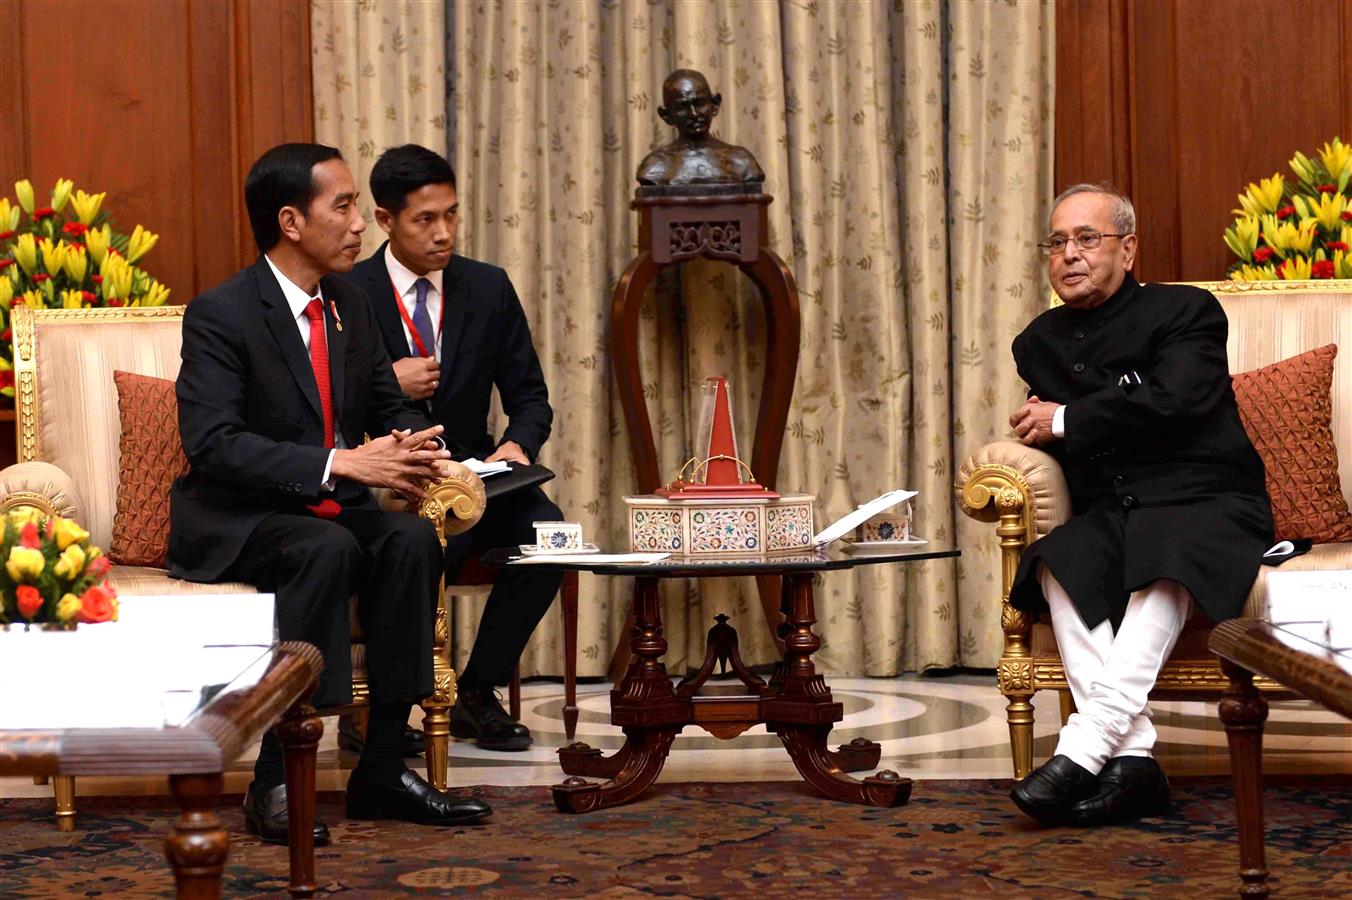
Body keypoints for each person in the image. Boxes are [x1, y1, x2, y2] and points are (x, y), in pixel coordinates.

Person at [168, 143, 492, 844]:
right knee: (325, 546)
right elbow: (214, 444)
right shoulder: (221, 314)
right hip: (243, 518)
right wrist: (343, 463)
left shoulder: (350, 303)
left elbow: (388, 407)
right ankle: (277, 782)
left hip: (328, 509)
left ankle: (380, 768)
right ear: (290, 221)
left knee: (406, 538)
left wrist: (417, 450)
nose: (358, 224)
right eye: (343, 207)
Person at [1005, 184, 1273, 826]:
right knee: (1058, 558)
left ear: (1127, 248)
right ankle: (1135, 763)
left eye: (1087, 239)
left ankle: (1088, 744)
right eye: (1058, 242)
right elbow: (1118, 418)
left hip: (1208, 496)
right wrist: (1041, 428)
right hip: (1118, 505)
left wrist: (1065, 418)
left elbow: (1179, 403)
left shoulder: (1187, 311)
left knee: (1167, 547)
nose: (1070, 254)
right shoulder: (1037, 341)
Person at [342, 143, 561, 752]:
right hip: (389, 482)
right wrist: (390, 378)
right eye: (425, 220)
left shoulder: (487, 288)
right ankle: (378, 706)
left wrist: (518, 444)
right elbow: (323, 401)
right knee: (405, 549)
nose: (444, 234)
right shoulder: (347, 291)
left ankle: (476, 692)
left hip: (478, 480)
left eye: (452, 216)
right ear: (385, 220)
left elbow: (531, 396)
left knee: (548, 536)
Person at [636, 69, 765, 186]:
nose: (694, 114)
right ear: (666, 115)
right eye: (682, 107)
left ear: (715, 104)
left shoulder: (742, 162)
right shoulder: (655, 167)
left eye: (700, 103)